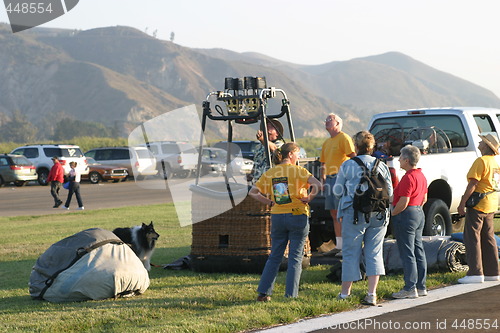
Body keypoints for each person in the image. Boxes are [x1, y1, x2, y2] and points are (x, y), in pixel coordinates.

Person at [249, 142, 321, 300]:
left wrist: (269, 203)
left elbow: (253, 192)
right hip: (297, 216)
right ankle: (290, 295)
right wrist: (309, 197)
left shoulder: (271, 172)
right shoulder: (299, 171)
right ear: (291, 155)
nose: (299, 157)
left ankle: (263, 293)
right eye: (297, 154)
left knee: (275, 256)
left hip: (278, 216)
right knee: (295, 257)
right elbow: (318, 185)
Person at [333, 131, 393, 306]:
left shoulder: (348, 165)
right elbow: (389, 191)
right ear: (372, 147)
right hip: (379, 213)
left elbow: (337, 191)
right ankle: (371, 294)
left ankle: (345, 293)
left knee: (351, 252)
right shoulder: (381, 165)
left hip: (354, 214)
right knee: (374, 252)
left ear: (356, 147)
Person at [457, 134, 500, 283]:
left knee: (472, 237)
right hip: (491, 203)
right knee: (488, 237)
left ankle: (475, 273)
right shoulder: (495, 162)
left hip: (478, 204)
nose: (480, 143)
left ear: (486, 146)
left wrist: (462, 202)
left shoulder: (481, 161)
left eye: (482, 142)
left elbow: (473, 183)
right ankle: (493, 272)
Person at [391, 145, 428, 299]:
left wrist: (392, 213)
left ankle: (409, 287)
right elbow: (424, 198)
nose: (398, 159)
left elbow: (404, 201)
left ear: (407, 160)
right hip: (419, 212)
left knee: (407, 252)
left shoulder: (408, 177)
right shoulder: (421, 175)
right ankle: (421, 286)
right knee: (418, 250)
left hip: (407, 214)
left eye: (400, 157)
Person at [320, 113, 356, 254]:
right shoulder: (327, 142)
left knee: (343, 212)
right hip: (329, 179)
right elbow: (323, 163)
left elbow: (353, 157)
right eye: (326, 120)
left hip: (340, 179)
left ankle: (347, 245)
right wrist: (322, 178)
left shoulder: (344, 138)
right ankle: (339, 245)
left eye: (330, 120)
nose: (327, 122)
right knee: (334, 213)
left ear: (338, 124)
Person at [248, 118, 285, 184]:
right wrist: (251, 175)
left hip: (272, 182)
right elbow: (256, 162)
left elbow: (274, 149)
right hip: (258, 182)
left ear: (277, 133)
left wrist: (263, 140)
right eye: (266, 126)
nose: (267, 128)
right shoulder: (259, 147)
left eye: (271, 127)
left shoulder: (281, 145)